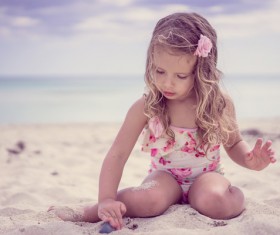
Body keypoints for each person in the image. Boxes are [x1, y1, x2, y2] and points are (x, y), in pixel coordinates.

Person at [48, 12, 276, 230]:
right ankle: (92, 210)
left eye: (180, 76)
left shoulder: (219, 103)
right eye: (159, 71)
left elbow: (234, 143)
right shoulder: (147, 106)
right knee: (149, 200)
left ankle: (230, 197)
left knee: (215, 202)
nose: (167, 83)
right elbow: (118, 154)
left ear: (201, 71)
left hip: (207, 177)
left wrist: (250, 161)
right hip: (165, 178)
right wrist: (106, 198)